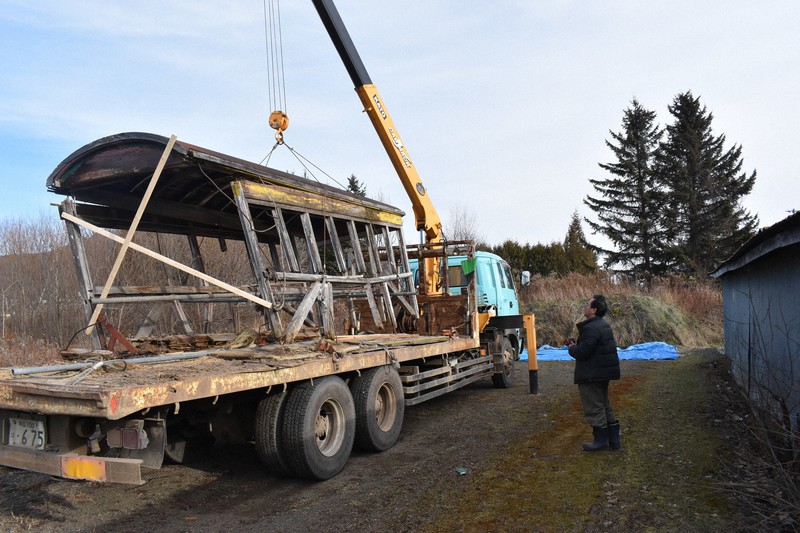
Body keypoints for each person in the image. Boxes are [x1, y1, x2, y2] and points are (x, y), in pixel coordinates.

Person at [566, 294, 621, 451]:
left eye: (587, 305)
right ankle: (614, 440)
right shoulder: (603, 325)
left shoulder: (591, 327)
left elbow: (583, 352)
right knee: (605, 405)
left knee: (594, 407)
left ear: (594, 310)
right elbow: (593, 347)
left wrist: (571, 347)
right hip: (602, 372)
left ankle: (601, 440)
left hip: (592, 374)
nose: (584, 307)